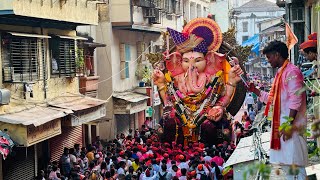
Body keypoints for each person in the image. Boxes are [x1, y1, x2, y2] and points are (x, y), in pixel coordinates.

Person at [248, 40, 308, 179]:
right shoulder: (280, 73)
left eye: (269, 57)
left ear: (276, 55)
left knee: (296, 165)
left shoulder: (292, 71)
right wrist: (256, 91)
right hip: (283, 126)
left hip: (292, 127)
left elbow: (296, 99)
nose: (268, 61)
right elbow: (273, 100)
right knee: (287, 165)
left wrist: (288, 124)